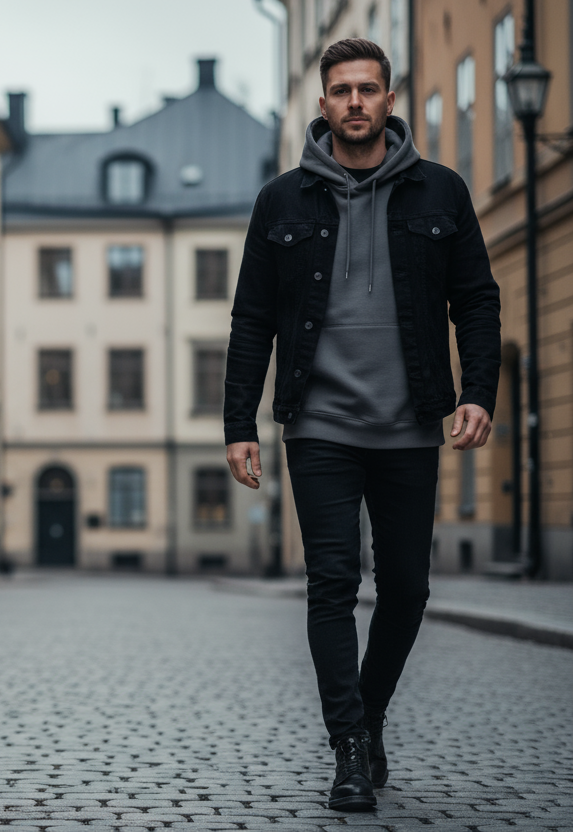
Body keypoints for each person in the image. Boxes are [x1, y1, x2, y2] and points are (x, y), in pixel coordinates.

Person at [224, 38, 500, 812]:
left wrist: (479, 389)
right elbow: (251, 320)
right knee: (331, 585)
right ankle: (349, 746)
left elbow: (476, 299)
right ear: (322, 105)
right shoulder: (281, 201)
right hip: (319, 426)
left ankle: (368, 714)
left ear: (388, 98)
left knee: (407, 588)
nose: (354, 102)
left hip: (411, 423)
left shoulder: (441, 193)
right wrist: (236, 422)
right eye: (340, 90)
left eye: (367, 89)